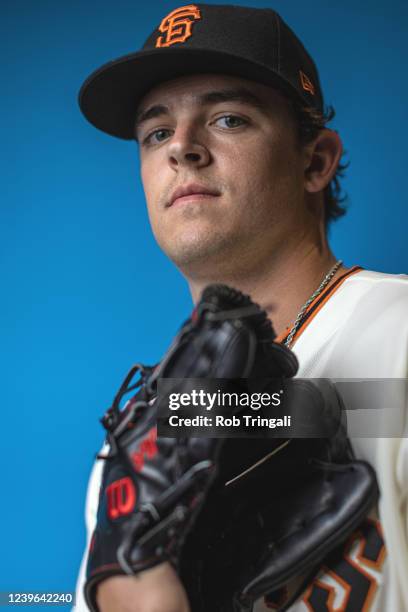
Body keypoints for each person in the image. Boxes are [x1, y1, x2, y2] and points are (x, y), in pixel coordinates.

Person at [75, 4, 408, 611]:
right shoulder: (139, 451)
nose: (181, 148)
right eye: (155, 133)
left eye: (227, 119)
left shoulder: (401, 337)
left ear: (315, 161)